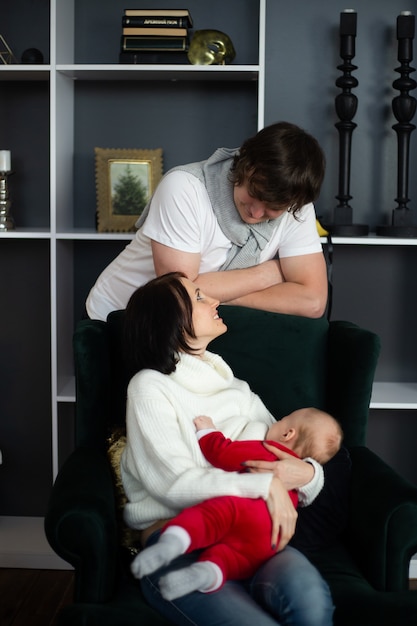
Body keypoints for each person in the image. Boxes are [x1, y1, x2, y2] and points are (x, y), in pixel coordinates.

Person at [120, 271, 334, 626]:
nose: (216, 301)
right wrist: (264, 485)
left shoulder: (233, 384)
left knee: (312, 608)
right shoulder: (149, 387)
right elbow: (175, 484)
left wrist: (309, 474)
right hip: (182, 540)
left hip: (254, 536)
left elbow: (284, 447)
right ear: (170, 320)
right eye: (200, 298)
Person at [86, 121, 328, 322]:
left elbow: (312, 302)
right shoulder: (184, 187)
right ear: (244, 165)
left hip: (193, 327)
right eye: (254, 194)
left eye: (272, 209)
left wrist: (215, 296)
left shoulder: (295, 204)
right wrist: (267, 275)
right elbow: (176, 294)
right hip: (121, 315)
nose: (256, 213)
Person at [130, 409, 343, 600]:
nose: (275, 420)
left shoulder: (268, 449)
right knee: (238, 558)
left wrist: (207, 432)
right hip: (271, 532)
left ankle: (174, 542)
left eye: (282, 419)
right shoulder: (295, 480)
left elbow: (223, 453)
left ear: (288, 434)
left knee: (208, 519)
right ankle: (209, 572)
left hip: (239, 509)